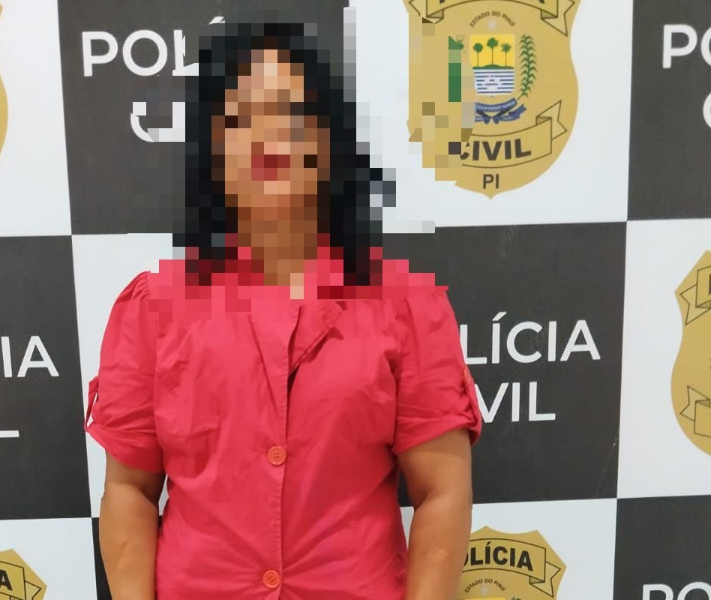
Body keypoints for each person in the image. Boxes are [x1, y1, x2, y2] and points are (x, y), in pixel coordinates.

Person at [85, 22, 482, 600]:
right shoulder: (154, 310)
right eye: (239, 119)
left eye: (289, 114)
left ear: (328, 140)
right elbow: (130, 491)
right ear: (212, 151)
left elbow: (441, 492)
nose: (265, 138)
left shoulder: (405, 306)